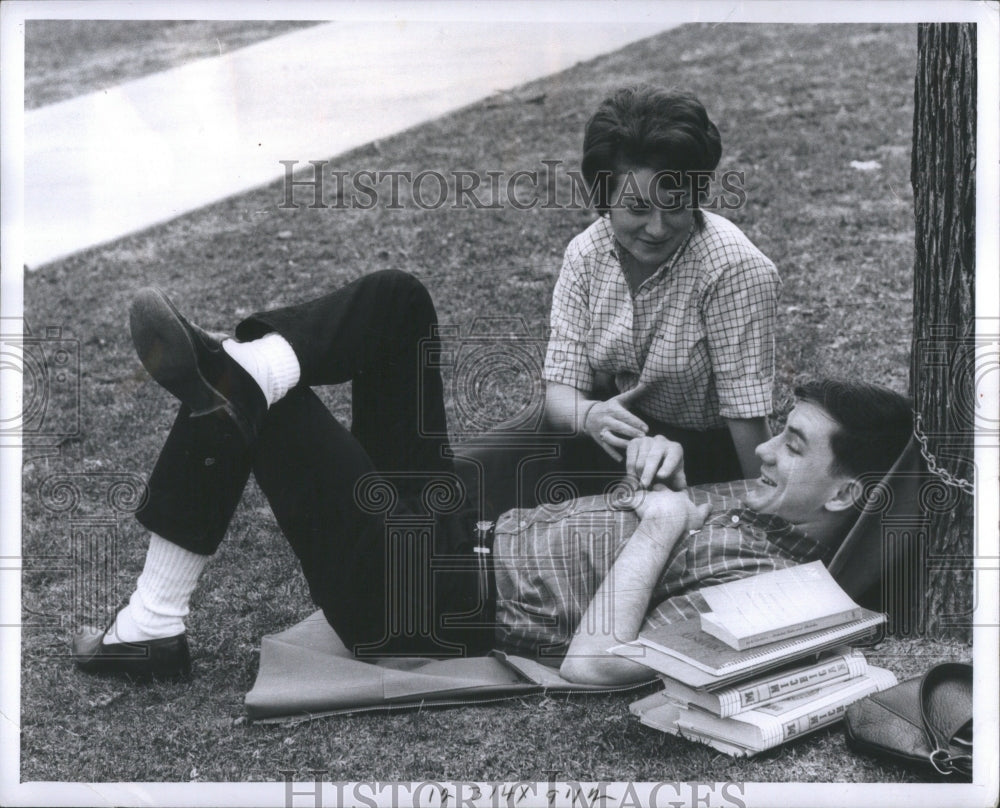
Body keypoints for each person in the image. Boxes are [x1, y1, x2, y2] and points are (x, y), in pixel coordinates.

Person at [71, 272, 911, 686]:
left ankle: (153, 617)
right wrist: (659, 481)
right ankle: (241, 368)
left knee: (256, 398)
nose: (764, 451)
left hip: (417, 598)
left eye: (794, 447)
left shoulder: (776, 596)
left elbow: (594, 666)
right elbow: (660, 530)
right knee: (398, 303)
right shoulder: (766, 522)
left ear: (844, 494)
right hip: (449, 535)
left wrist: (660, 523)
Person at [459, 86, 781, 517]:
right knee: (467, 470)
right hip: (606, 428)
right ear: (604, 198)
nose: (657, 227)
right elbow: (561, 396)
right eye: (637, 208)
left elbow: (747, 422)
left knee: (602, 521)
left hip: (694, 454)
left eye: (676, 205)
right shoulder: (586, 253)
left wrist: (762, 512)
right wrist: (588, 417)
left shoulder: (735, 269)